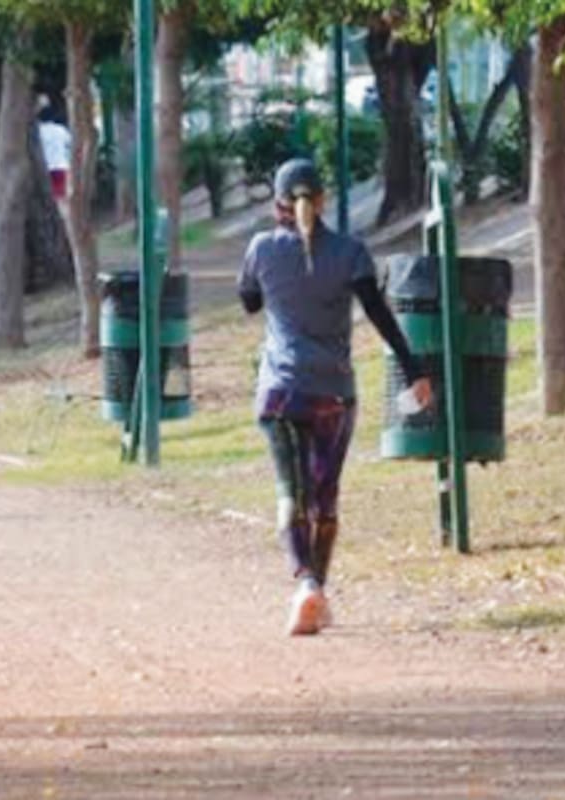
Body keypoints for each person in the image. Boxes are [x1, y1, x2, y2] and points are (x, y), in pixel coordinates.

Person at [238, 158, 433, 637]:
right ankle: (317, 591)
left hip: (280, 393)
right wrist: (415, 372)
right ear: (322, 201)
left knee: (291, 492)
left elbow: (249, 301)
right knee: (324, 497)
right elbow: (380, 315)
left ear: (278, 205)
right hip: (333, 392)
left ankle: (305, 584)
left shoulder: (262, 247)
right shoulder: (351, 252)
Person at [37, 107, 72, 201]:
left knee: (47, 196)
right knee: (61, 194)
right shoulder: (60, 130)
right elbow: (69, 144)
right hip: (61, 165)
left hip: (44, 166)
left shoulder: (38, 132)